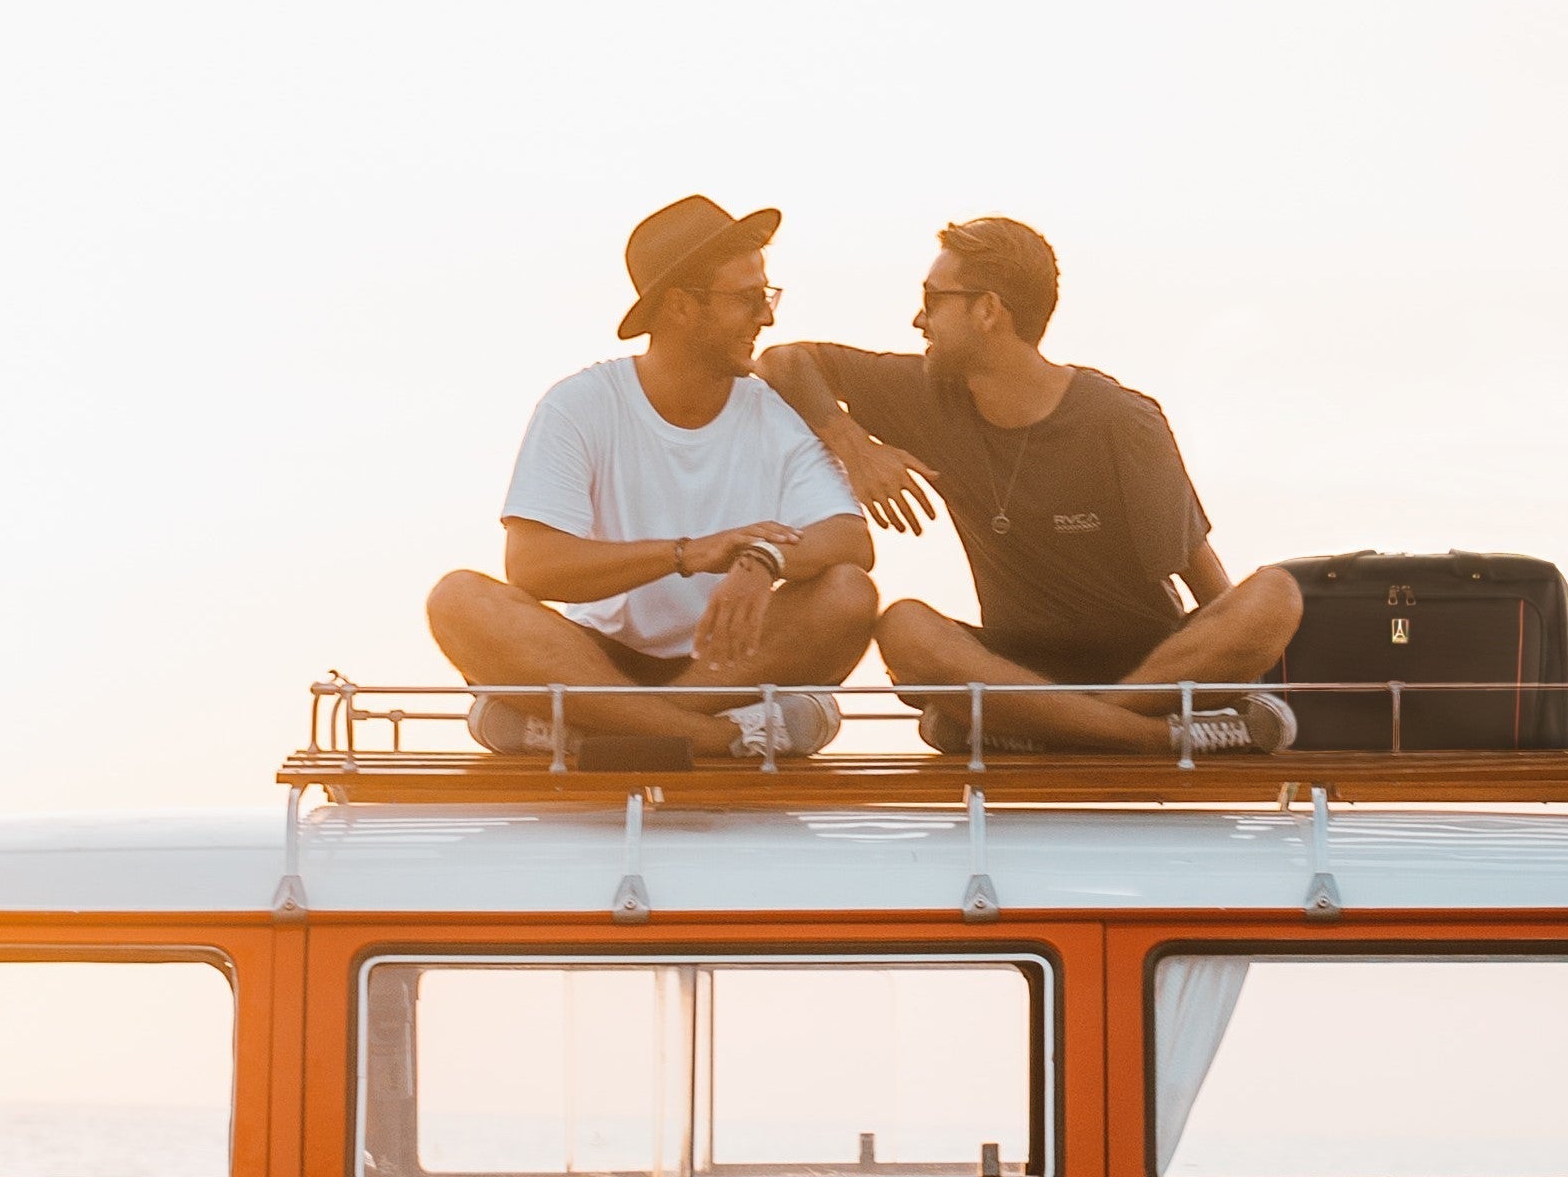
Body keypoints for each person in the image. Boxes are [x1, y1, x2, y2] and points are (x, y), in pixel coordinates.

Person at [758, 218, 1302, 757]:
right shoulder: (926, 393)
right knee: (903, 626)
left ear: (989, 310)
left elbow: (1200, 572)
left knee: (1274, 594)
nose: (918, 319)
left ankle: (1056, 726)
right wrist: (857, 451)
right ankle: (1145, 737)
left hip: (1148, 666)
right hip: (1015, 667)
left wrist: (1234, 661)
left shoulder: (1122, 420)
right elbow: (785, 360)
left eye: (933, 299)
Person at [428, 197, 880, 764]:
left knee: (847, 593)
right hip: (593, 660)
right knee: (458, 598)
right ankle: (718, 737)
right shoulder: (580, 405)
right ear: (680, 307)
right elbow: (533, 566)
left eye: (767, 296)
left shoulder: (778, 413)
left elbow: (850, 541)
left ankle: (603, 730)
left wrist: (764, 558)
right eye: (747, 299)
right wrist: (687, 553)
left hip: (731, 665)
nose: (766, 317)